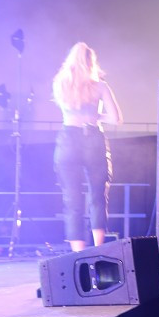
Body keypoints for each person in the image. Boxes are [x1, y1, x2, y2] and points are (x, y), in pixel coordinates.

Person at [51, 42, 122, 252]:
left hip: (68, 140)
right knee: (98, 196)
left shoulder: (60, 83)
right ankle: (98, 248)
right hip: (92, 137)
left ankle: (77, 254)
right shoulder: (100, 86)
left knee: (72, 199)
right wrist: (95, 115)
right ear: (92, 62)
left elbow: (68, 109)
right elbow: (117, 119)